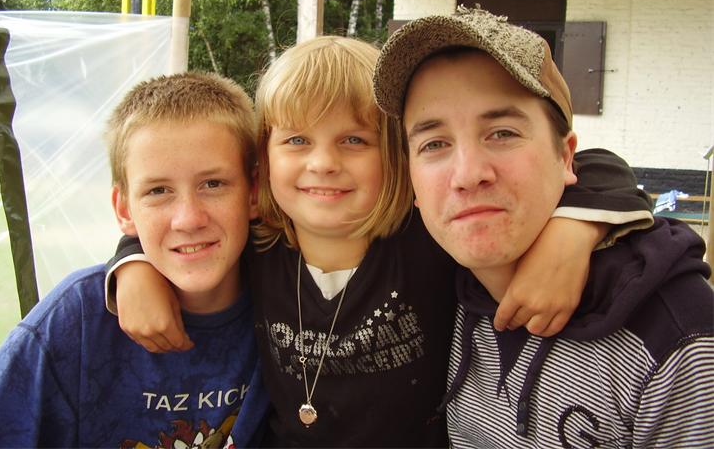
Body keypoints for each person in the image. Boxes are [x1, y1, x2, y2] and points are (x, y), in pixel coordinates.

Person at [106, 36, 654, 447]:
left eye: (353, 139)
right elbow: (186, 229)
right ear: (261, 165)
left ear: (394, 154)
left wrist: (569, 234)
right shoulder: (259, 245)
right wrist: (133, 266)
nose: (323, 162)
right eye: (297, 140)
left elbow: (598, 166)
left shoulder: (426, 239)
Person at [372, 6, 714, 448]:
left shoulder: (678, 339)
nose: (468, 174)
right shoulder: (429, 289)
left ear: (566, 157)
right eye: (435, 143)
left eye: (502, 133)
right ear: (412, 180)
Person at [0, 72, 269, 448]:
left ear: (254, 192)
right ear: (124, 210)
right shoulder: (75, 321)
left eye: (213, 184)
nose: (188, 219)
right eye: (158, 191)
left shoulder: (290, 300)